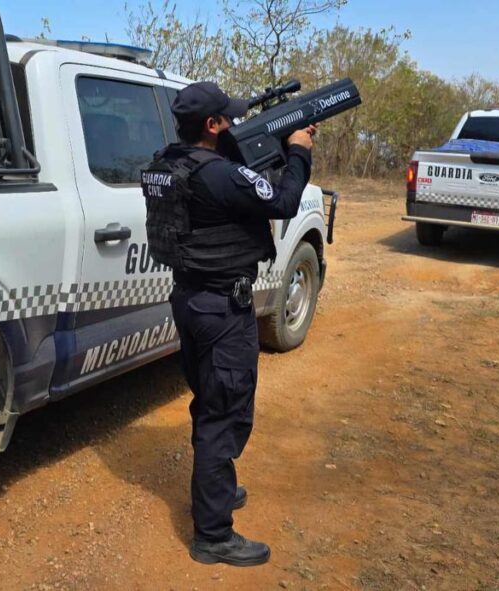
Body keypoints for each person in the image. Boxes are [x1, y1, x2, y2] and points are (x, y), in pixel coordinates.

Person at [141, 81, 315, 567]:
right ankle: (213, 535)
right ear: (213, 126)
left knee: (210, 401)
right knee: (226, 411)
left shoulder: (168, 163)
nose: (236, 125)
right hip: (221, 308)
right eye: (229, 120)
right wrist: (299, 151)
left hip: (191, 299)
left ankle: (217, 491)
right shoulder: (217, 175)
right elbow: (281, 201)